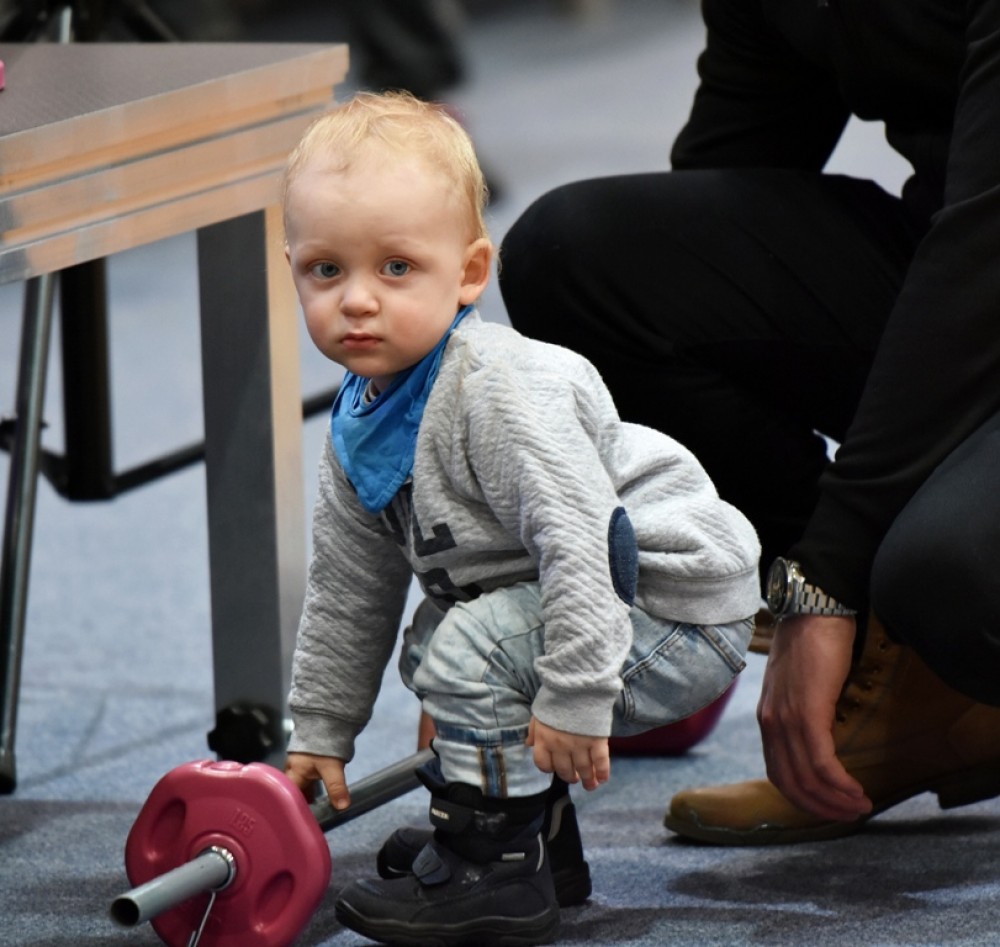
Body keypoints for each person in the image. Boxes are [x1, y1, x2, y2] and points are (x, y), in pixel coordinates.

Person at [498, 0, 1000, 846]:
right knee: (580, 261)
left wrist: (825, 577)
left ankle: (923, 636)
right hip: (959, 258)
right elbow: (721, 187)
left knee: (954, 573)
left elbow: (985, 259)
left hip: (984, 261)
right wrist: (643, 560)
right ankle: (903, 675)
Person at [280, 90, 760, 944]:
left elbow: (591, 543)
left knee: (469, 649)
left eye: (396, 268)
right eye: (326, 270)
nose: (357, 300)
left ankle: (495, 866)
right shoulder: (363, 417)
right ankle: (537, 839)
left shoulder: (495, 391)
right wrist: (322, 726)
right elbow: (349, 589)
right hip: (597, 592)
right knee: (435, 641)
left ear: (469, 273)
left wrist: (574, 696)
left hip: (672, 601)